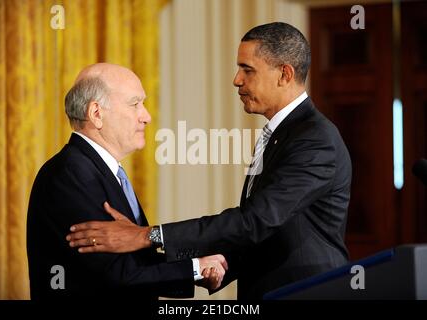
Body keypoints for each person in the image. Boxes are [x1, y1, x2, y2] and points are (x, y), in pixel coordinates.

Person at [66, 22, 352, 300]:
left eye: (247, 70)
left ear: (284, 75)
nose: (236, 80)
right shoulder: (283, 134)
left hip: (306, 291)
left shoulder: (315, 140)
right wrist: (216, 265)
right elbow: (268, 228)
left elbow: (257, 220)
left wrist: (148, 236)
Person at [26, 63, 227, 300]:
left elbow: (132, 260)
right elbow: (113, 273)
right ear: (96, 113)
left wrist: (197, 269)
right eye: (135, 104)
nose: (147, 116)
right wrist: (194, 267)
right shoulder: (70, 174)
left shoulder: (97, 170)